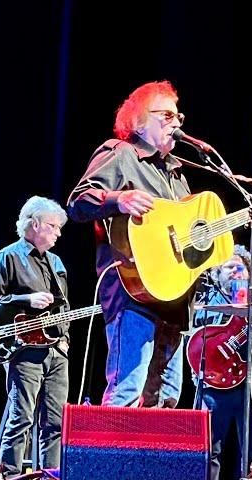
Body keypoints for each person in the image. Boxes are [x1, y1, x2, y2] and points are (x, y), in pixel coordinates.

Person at [66, 80, 192, 408]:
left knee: (166, 400)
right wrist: (118, 198)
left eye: (178, 116)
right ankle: (110, 461)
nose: (176, 122)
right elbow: (78, 201)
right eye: (165, 115)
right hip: (133, 292)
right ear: (137, 121)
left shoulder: (178, 176)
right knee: (127, 392)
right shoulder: (121, 154)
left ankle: (150, 462)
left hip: (174, 302)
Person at [0, 195, 69, 478]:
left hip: (57, 351)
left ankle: (50, 474)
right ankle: (8, 474)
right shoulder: (8, 256)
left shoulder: (56, 263)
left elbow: (63, 306)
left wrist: (65, 338)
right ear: (35, 224)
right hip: (25, 350)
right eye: (54, 226)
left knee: (55, 422)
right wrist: (26, 299)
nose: (58, 233)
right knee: (21, 417)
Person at [192, 244, 252, 480]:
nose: (236, 272)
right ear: (217, 274)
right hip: (214, 389)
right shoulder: (208, 305)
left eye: (241, 268)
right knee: (207, 451)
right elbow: (195, 342)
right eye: (229, 268)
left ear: (250, 273)